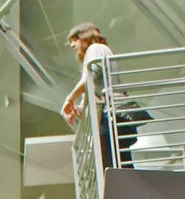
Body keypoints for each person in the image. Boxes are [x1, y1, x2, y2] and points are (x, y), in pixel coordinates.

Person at [61, 23, 143, 169]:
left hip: (110, 115)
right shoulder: (100, 51)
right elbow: (92, 88)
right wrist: (79, 108)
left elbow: (90, 77)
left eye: (75, 39)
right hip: (111, 114)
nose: (73, 45)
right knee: (118, 163)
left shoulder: (95, 48)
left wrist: (70, 99)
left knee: (111, 164)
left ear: (86, 37)